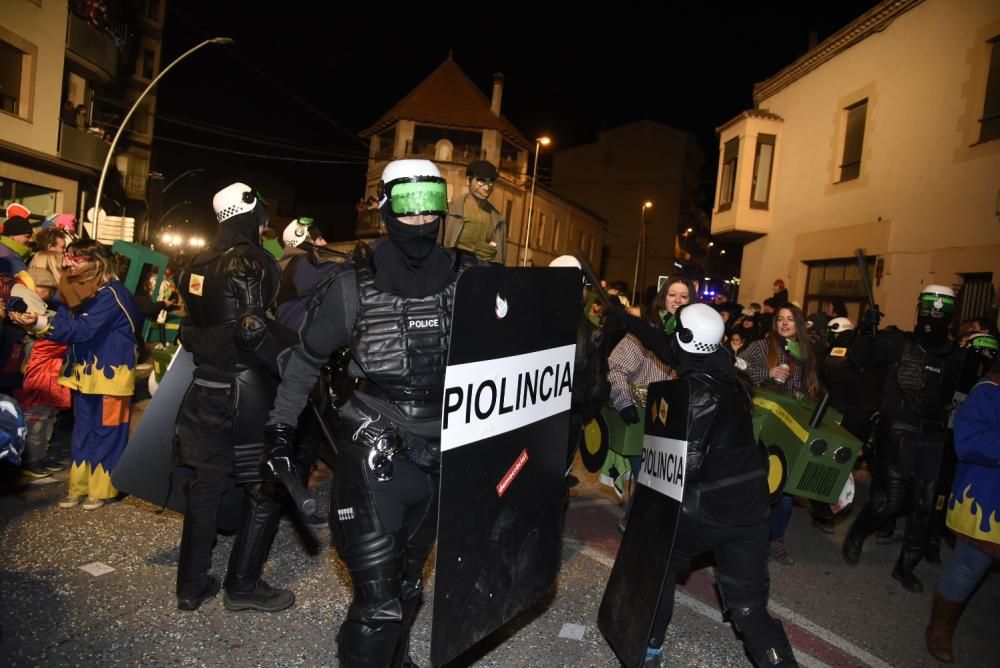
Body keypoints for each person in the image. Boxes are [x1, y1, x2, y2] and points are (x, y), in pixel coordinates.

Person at [264, 159, 480, 666]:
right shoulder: (348, 288)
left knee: (408, 586)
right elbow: (305, 362)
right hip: (375, 455)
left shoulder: (473, 281)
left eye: (432, 202)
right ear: (383, 206)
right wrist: (279, 428)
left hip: (443, 456)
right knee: (378, 606)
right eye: (409, 203)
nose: (422, 218)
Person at [638, 304, 796, 667]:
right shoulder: (732, 377)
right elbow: (669, 345)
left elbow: (684, 468)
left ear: (685, 342)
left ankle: (649, 646)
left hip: (707, 509)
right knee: (749, 609)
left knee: (656, 562)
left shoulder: (692, 393)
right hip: (752, 508)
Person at [172, 183, 295, 613]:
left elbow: (194, 330)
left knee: (205, 486)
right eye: (262, 215)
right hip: (245, 392)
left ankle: (190, 585)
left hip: (203, 387)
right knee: (265, 485)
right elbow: (251, 330)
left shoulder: (194, 263)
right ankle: (243, 586)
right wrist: (295, 363)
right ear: (249, 212)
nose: (266, 224)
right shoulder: (249, 259)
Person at [842, 285, 965, 593]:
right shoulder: (897, 343)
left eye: (938, 313)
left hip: (934, 436)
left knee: (924, 507)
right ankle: (857, 534)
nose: (931, 317)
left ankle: (905, 567)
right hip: (897, 429)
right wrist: (866, 330)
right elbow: (859, 360)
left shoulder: (958, 356)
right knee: (892, 499)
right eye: (926, 311)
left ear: (949, 316)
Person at [10, 240, 141, 510]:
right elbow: (69, 324)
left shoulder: (111, 294)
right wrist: (37, 321)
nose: (68, 264)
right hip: (84, 375)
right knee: (82, 431)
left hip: (111, 377)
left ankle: (102, 490)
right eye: (68, 258)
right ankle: (78, 488)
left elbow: (82, 329)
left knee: (108, 432)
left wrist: (40, 321)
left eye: (76, 259)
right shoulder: (83, 291)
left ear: (97, 263)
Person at [925, 358, 1000, 662]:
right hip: (989, 502)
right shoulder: (990, 390)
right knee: (970, 567)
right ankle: (940, 628)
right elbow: (967, 441)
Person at [738, 304, 822, 565]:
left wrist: (806, 396)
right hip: (763, 422)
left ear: (799, 324)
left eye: (790, 319)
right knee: (758, 485)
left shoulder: (805, 354)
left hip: (790, 426)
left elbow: (812, 389)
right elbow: (736, 367)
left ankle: (775, 541)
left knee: (785, 493)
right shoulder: (762, 347)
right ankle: (749, 541)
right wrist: (767, 373)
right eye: (780, 319)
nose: (785, 323)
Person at [608, 277, 692, 529]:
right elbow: (616, 367)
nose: (678, 300)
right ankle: (633, 524)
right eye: (672, 294)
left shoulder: (694, 337)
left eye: (684, 296)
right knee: (648, 477)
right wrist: (623, 401)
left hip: (676, 420)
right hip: (642, 417)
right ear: (662, 298)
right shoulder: (647, 330)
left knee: (668, 480)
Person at [442, 159, 507, 264]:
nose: (487, 187)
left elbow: (500, 259)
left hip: (485, 274)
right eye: (481, 181)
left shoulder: (498, 220)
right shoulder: (450, 212)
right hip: (454, 271)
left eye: (491, 182)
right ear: (468, 180)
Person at [0, 215, 37, 290]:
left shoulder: (11, 252)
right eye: (27, 236)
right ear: (12, 235)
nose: (31, 240)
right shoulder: (10, 256)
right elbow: (27, 286)